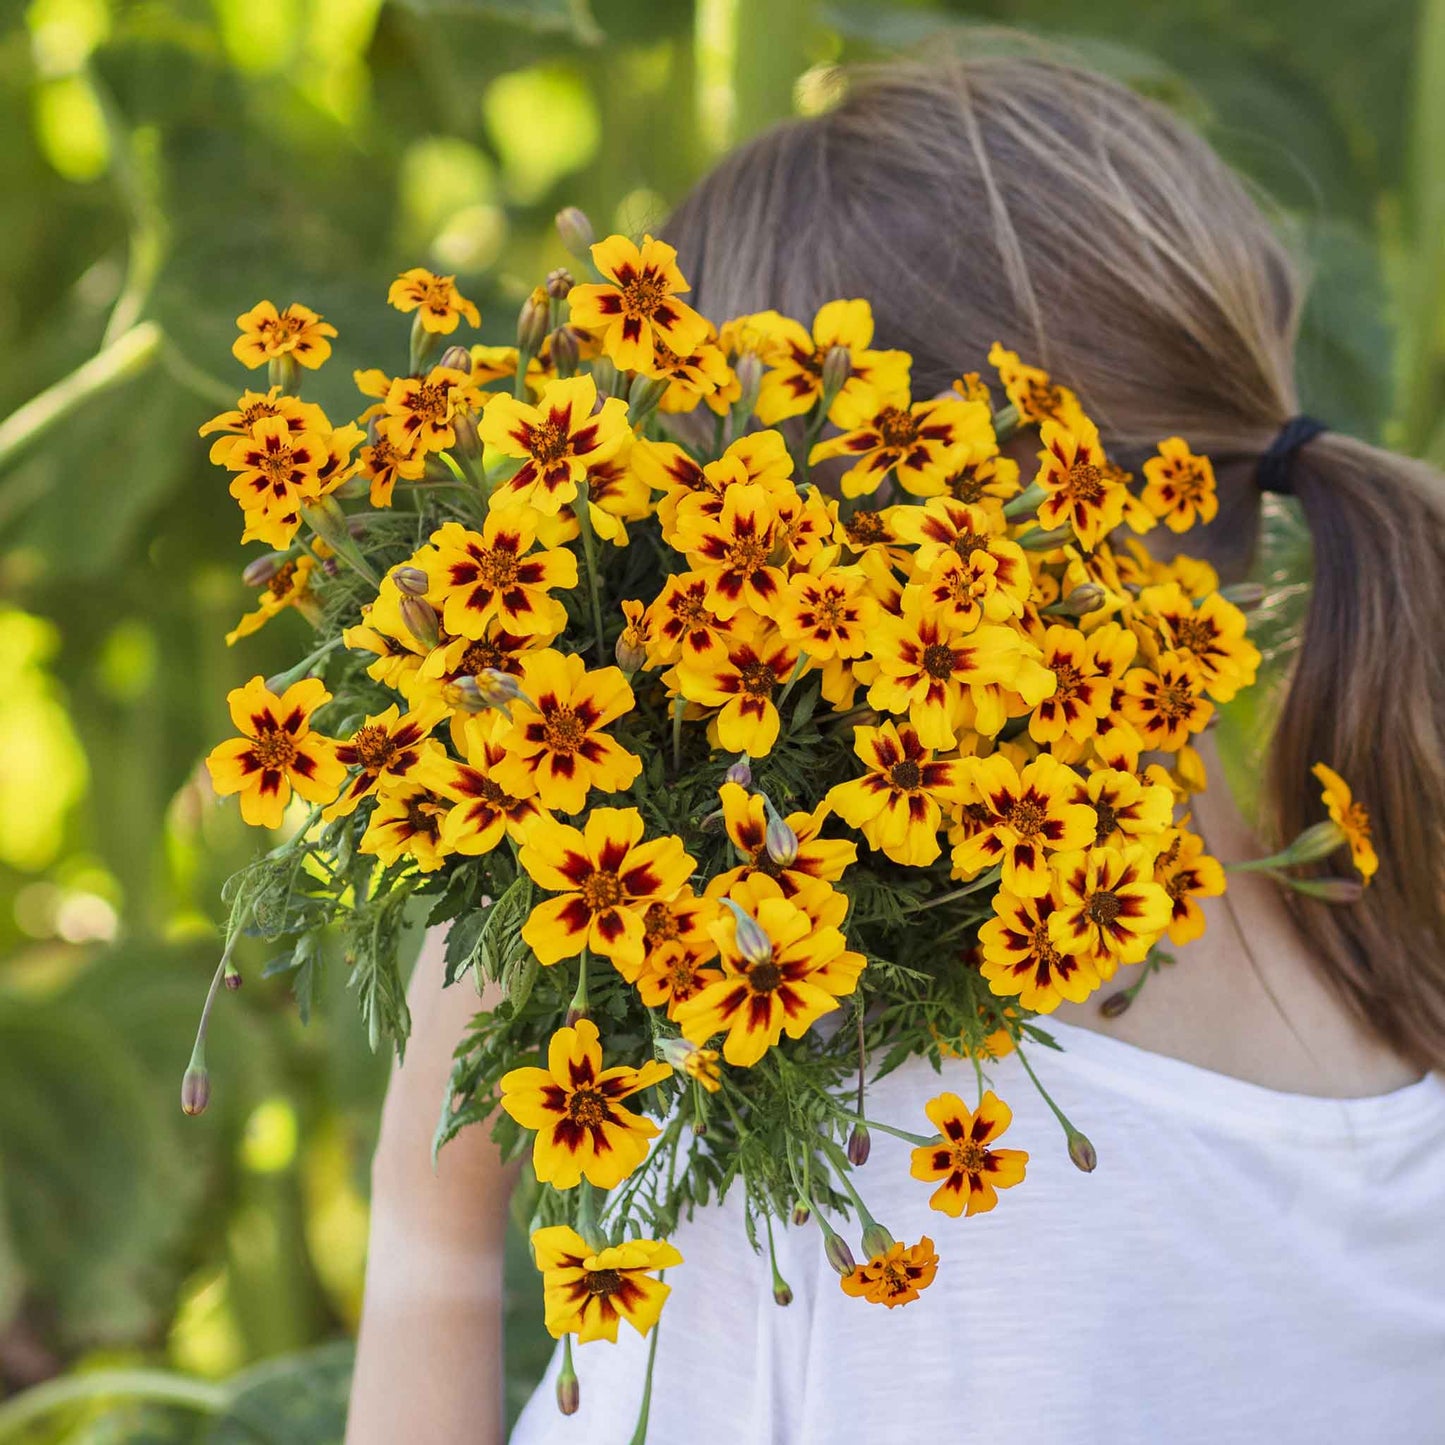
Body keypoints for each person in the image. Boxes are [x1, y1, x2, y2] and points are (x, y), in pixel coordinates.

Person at [345, 48, 1445, 1445]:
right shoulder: (1405, 1033)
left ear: (826, 558)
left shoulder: (856, 1181)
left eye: (685, 498)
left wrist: (430, 1216)